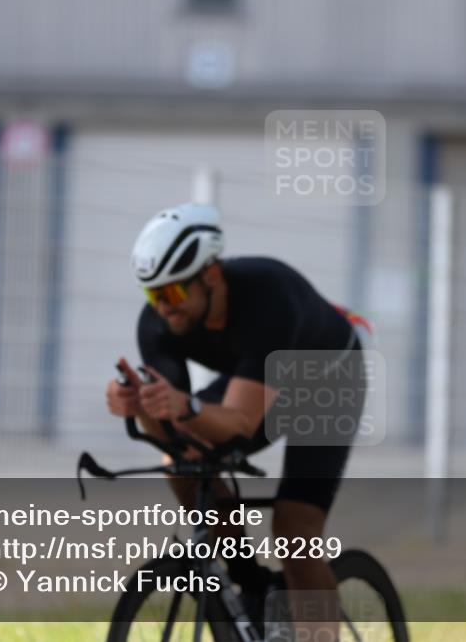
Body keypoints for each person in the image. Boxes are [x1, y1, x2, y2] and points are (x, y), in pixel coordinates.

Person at [105, 202, 368, 640]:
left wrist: (186, 408)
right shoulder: (157, 323)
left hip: (327, 382)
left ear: (210, 276)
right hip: (262, 377)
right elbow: (174, 432)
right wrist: (138, 402)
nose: (162, 309)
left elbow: (241, 423)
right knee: (184, 463)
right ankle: (250, 583)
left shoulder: (269, 298)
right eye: (152, 295)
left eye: (171, 294)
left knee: (294, 533)